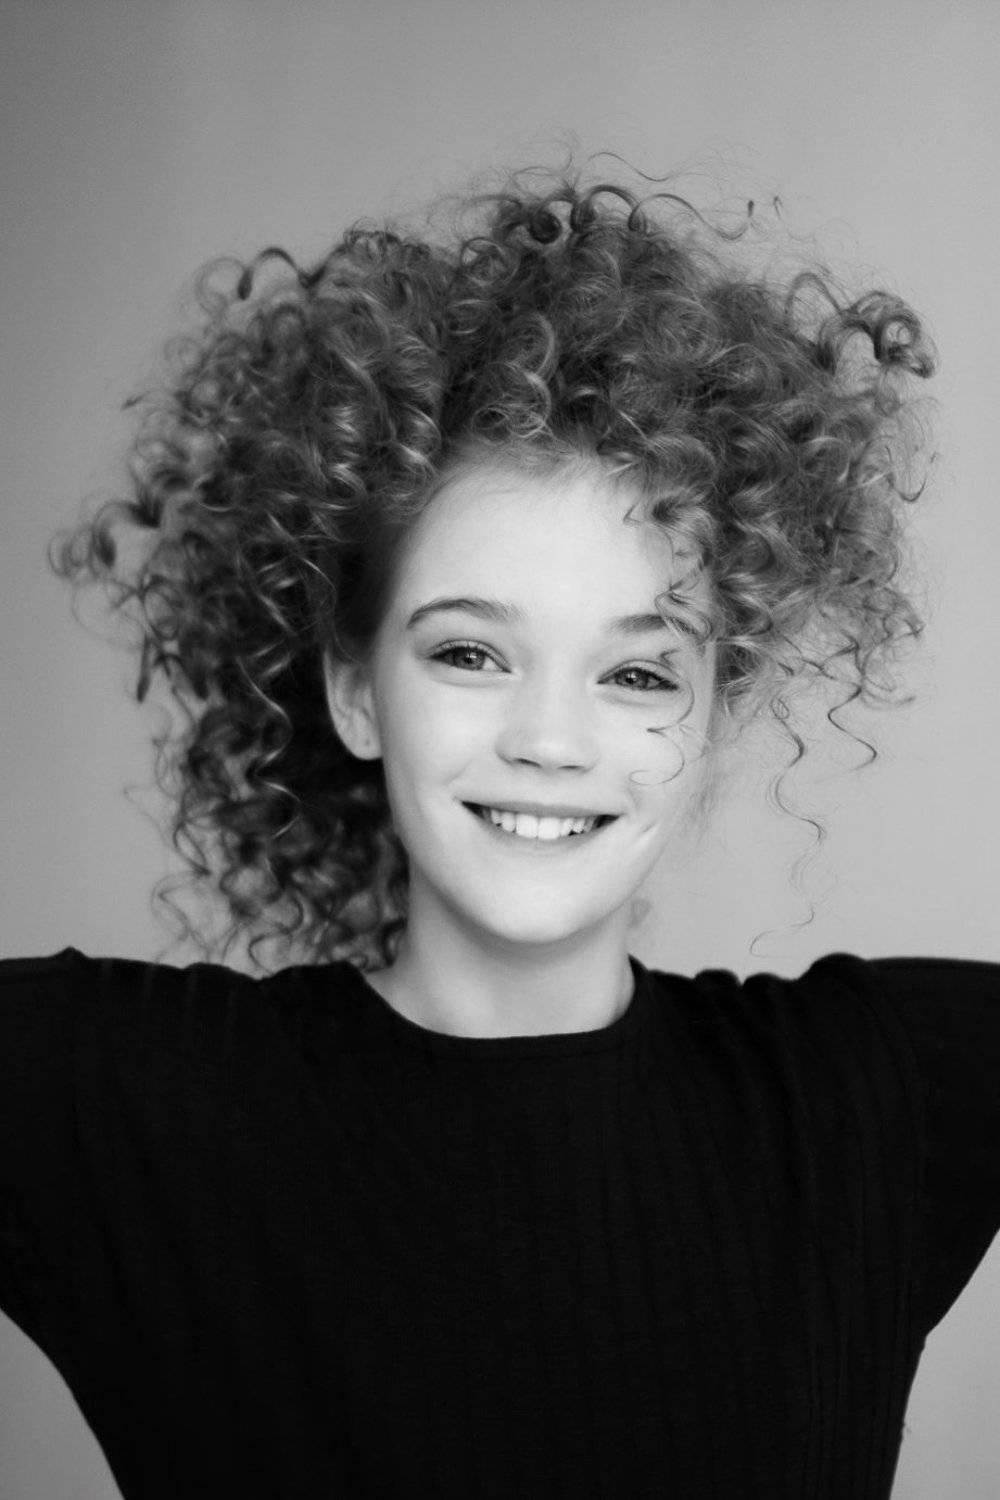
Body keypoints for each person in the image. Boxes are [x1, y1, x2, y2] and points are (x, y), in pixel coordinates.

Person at [1, 160, 997, 1499]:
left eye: (636, 672)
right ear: (357, 693)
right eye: (470, 653)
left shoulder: (877, 1101)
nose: (552, 738)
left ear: (711, 716)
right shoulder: (132, 1112)